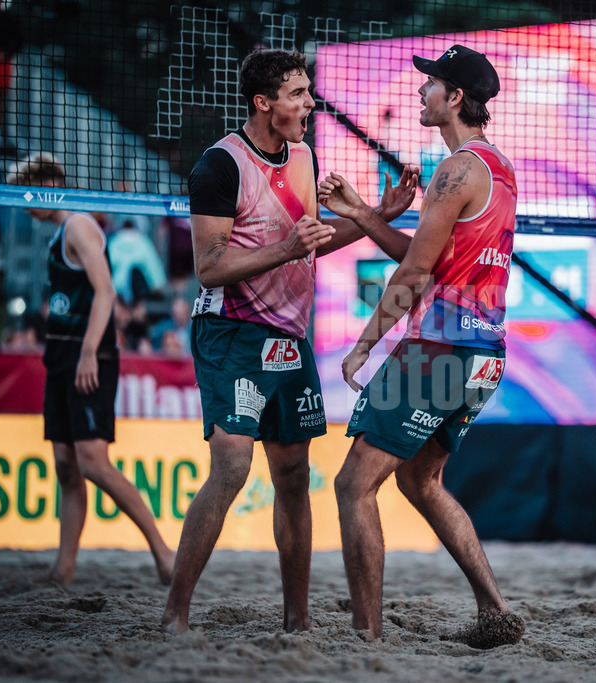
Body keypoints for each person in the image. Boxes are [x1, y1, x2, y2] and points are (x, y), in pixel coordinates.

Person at [160, 49, 418, 636]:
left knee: (295, 475)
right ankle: (175, 614)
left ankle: (296, 620)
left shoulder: (303, 154)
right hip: (231, 329)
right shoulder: (218, 166)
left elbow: (313, 242)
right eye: (299, 94)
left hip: (289, 334)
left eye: (309, 91)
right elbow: (209, 267)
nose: (310, 103)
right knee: (230, 468)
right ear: (264, 102)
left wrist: (380, 213)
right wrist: (285, 247)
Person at [317, 44, 525, 648]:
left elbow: (412, 278)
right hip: (483, 353)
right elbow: (425, 261)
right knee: (420, 481)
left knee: (354, 484)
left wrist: (363, 347)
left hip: (440, 350)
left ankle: (366, 636)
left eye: (430, 83)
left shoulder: (456, 169)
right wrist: (361, 212)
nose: (420, 91)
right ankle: (494, 610)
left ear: (455, 97)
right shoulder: (498, 167)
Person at [5, 152, 176, 586]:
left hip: (89, 356)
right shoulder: (59, 232)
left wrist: (87, 353)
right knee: (65, 463)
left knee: (94, 462)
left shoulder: (79, 224)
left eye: (25, 190)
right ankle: (63, 569)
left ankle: (162, 551)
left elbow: (105, 293)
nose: (22, 203)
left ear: (44, 182)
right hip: (62, 355)